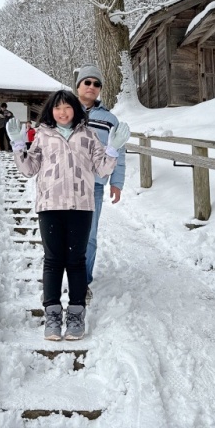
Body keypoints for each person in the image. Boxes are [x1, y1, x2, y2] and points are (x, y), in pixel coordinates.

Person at [6, 90, 130, 341]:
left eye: (67, 107)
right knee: (52, 261)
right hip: (50, 206)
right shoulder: (43, 136)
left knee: (76, 261)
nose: (62, 112)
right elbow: (29, 170)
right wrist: (20, 146)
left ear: (75, 109)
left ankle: (76, 313)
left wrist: (113, 149)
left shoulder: (89, 136)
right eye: (57, 108)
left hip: (81, 206)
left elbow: (102, 169)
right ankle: (52, 314)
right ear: (51, 111)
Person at [75, 65, 127, 304]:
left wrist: (116, 182)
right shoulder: (63, 111)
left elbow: (119, 152)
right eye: (87, 82)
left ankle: (82, 282)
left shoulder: (109, 119)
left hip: (95, 184)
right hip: (65, 184)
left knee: (89, 237)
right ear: (77, 85)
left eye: (97, 84)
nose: (92, 87)